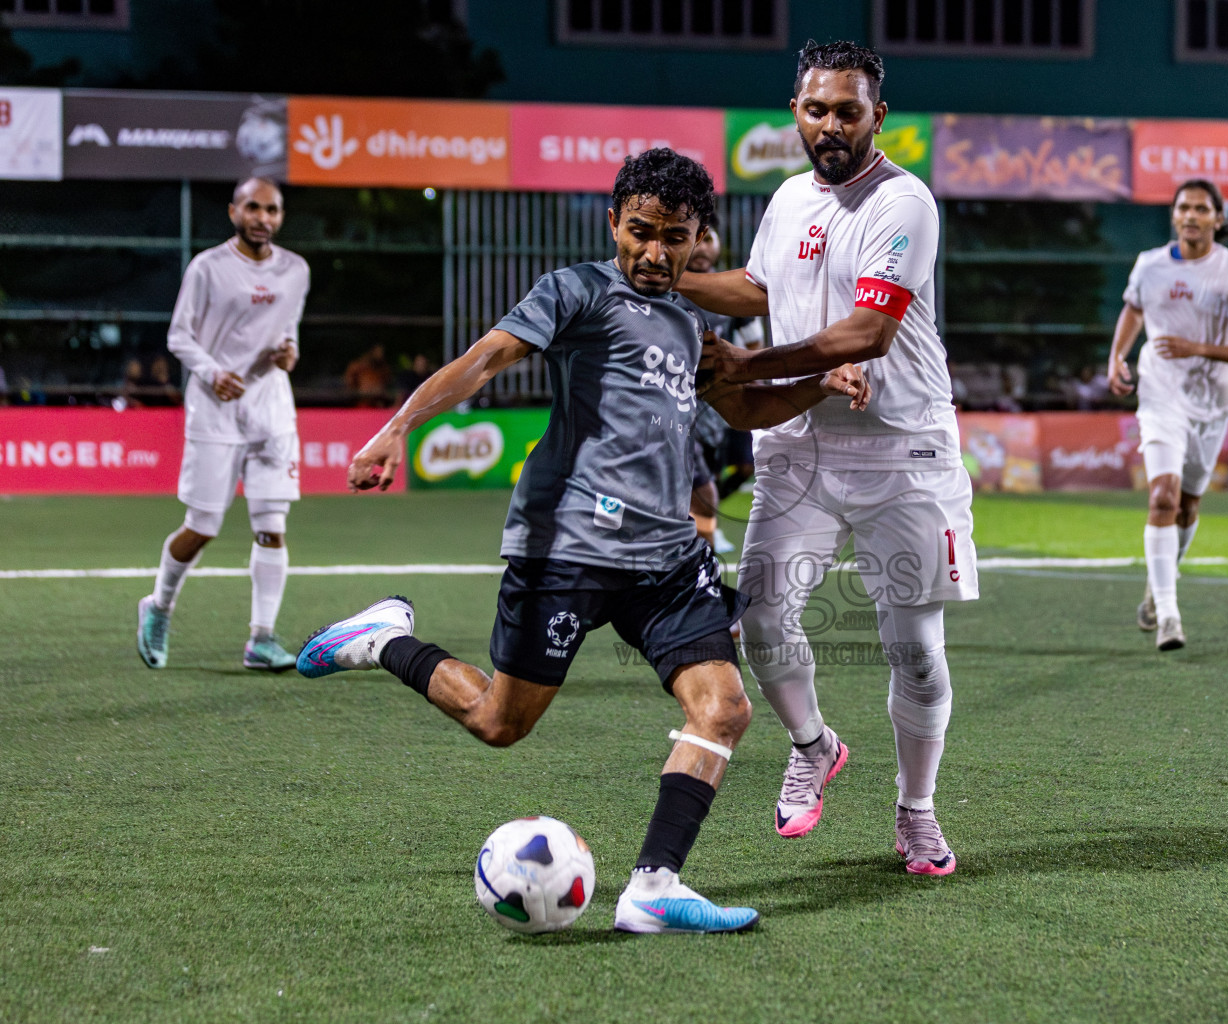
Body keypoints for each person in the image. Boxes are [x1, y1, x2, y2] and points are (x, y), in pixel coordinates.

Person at [294, 148, 869, 934]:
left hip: (666, 559)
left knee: (724, 709)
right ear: (614, 223)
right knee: (501, 722)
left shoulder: (692, 324)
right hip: (565, 545)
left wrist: (819, 383)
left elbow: (743, 410)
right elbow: (485, 359)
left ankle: (653, 886)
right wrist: (399, 426)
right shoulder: (575, 291)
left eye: (675, 237)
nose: (655, 253)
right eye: (640, 232)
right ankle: (381, 639)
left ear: (700, 238)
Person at [678, 40, 978, 876]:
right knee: (764, 617)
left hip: (902, 450)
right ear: (796, 112)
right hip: (799, 444)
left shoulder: (904, 202)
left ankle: (916, 809)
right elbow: (760, 289)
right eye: (817, 109)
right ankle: (814, 745)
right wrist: (671, 279)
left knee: (913, 647)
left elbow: (869, 332)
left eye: (849, 110)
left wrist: (747, 366)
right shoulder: (786, 199)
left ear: (879, 116)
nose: (832, 125)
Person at [136, 177, 310, 672]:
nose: (263, 218)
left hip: (272, 411)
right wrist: (213, 374)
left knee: (272, 527)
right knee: (203, 525)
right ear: (234, 211)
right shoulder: (208, 268)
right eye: (253, 208)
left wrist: (288, 353)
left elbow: (287, 330)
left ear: (280, 216)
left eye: (272, 210)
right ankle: (159, 606)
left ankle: (261, 639)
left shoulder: (296, 270)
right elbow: (178, 335)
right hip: (215, 411)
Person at [1106, 178, 1228, 651]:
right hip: (1160, 397)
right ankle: (1169, 617)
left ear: (1217, 218)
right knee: (1162, 497)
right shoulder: (1149, 265)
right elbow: (1134, 309)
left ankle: (1161, 582)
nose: (1191, 215)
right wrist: (1117, 355)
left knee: (1189, 505)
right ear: (1174, 215)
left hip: (1212, 404)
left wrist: (1196, 347)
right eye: (1184, 208)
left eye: (1202, 209)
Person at [684, 220, 764, 551]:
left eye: (709, 239)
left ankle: (704, 523)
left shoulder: (733, 291)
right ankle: (699, 530)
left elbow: (755, 348)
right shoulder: (665, 289)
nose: (702, 247)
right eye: (694, 240)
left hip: (724, 399)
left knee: (737, 468)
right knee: (694, 478)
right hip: (680, 405)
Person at [344, 343, 392, 407]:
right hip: (362, 402)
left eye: (381, 352)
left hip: (378, 403)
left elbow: (387, 383)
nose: (380, 354)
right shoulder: (358, 366)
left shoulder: (383, 368)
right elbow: (349, 384)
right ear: (371, 351)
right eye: (377, 351)